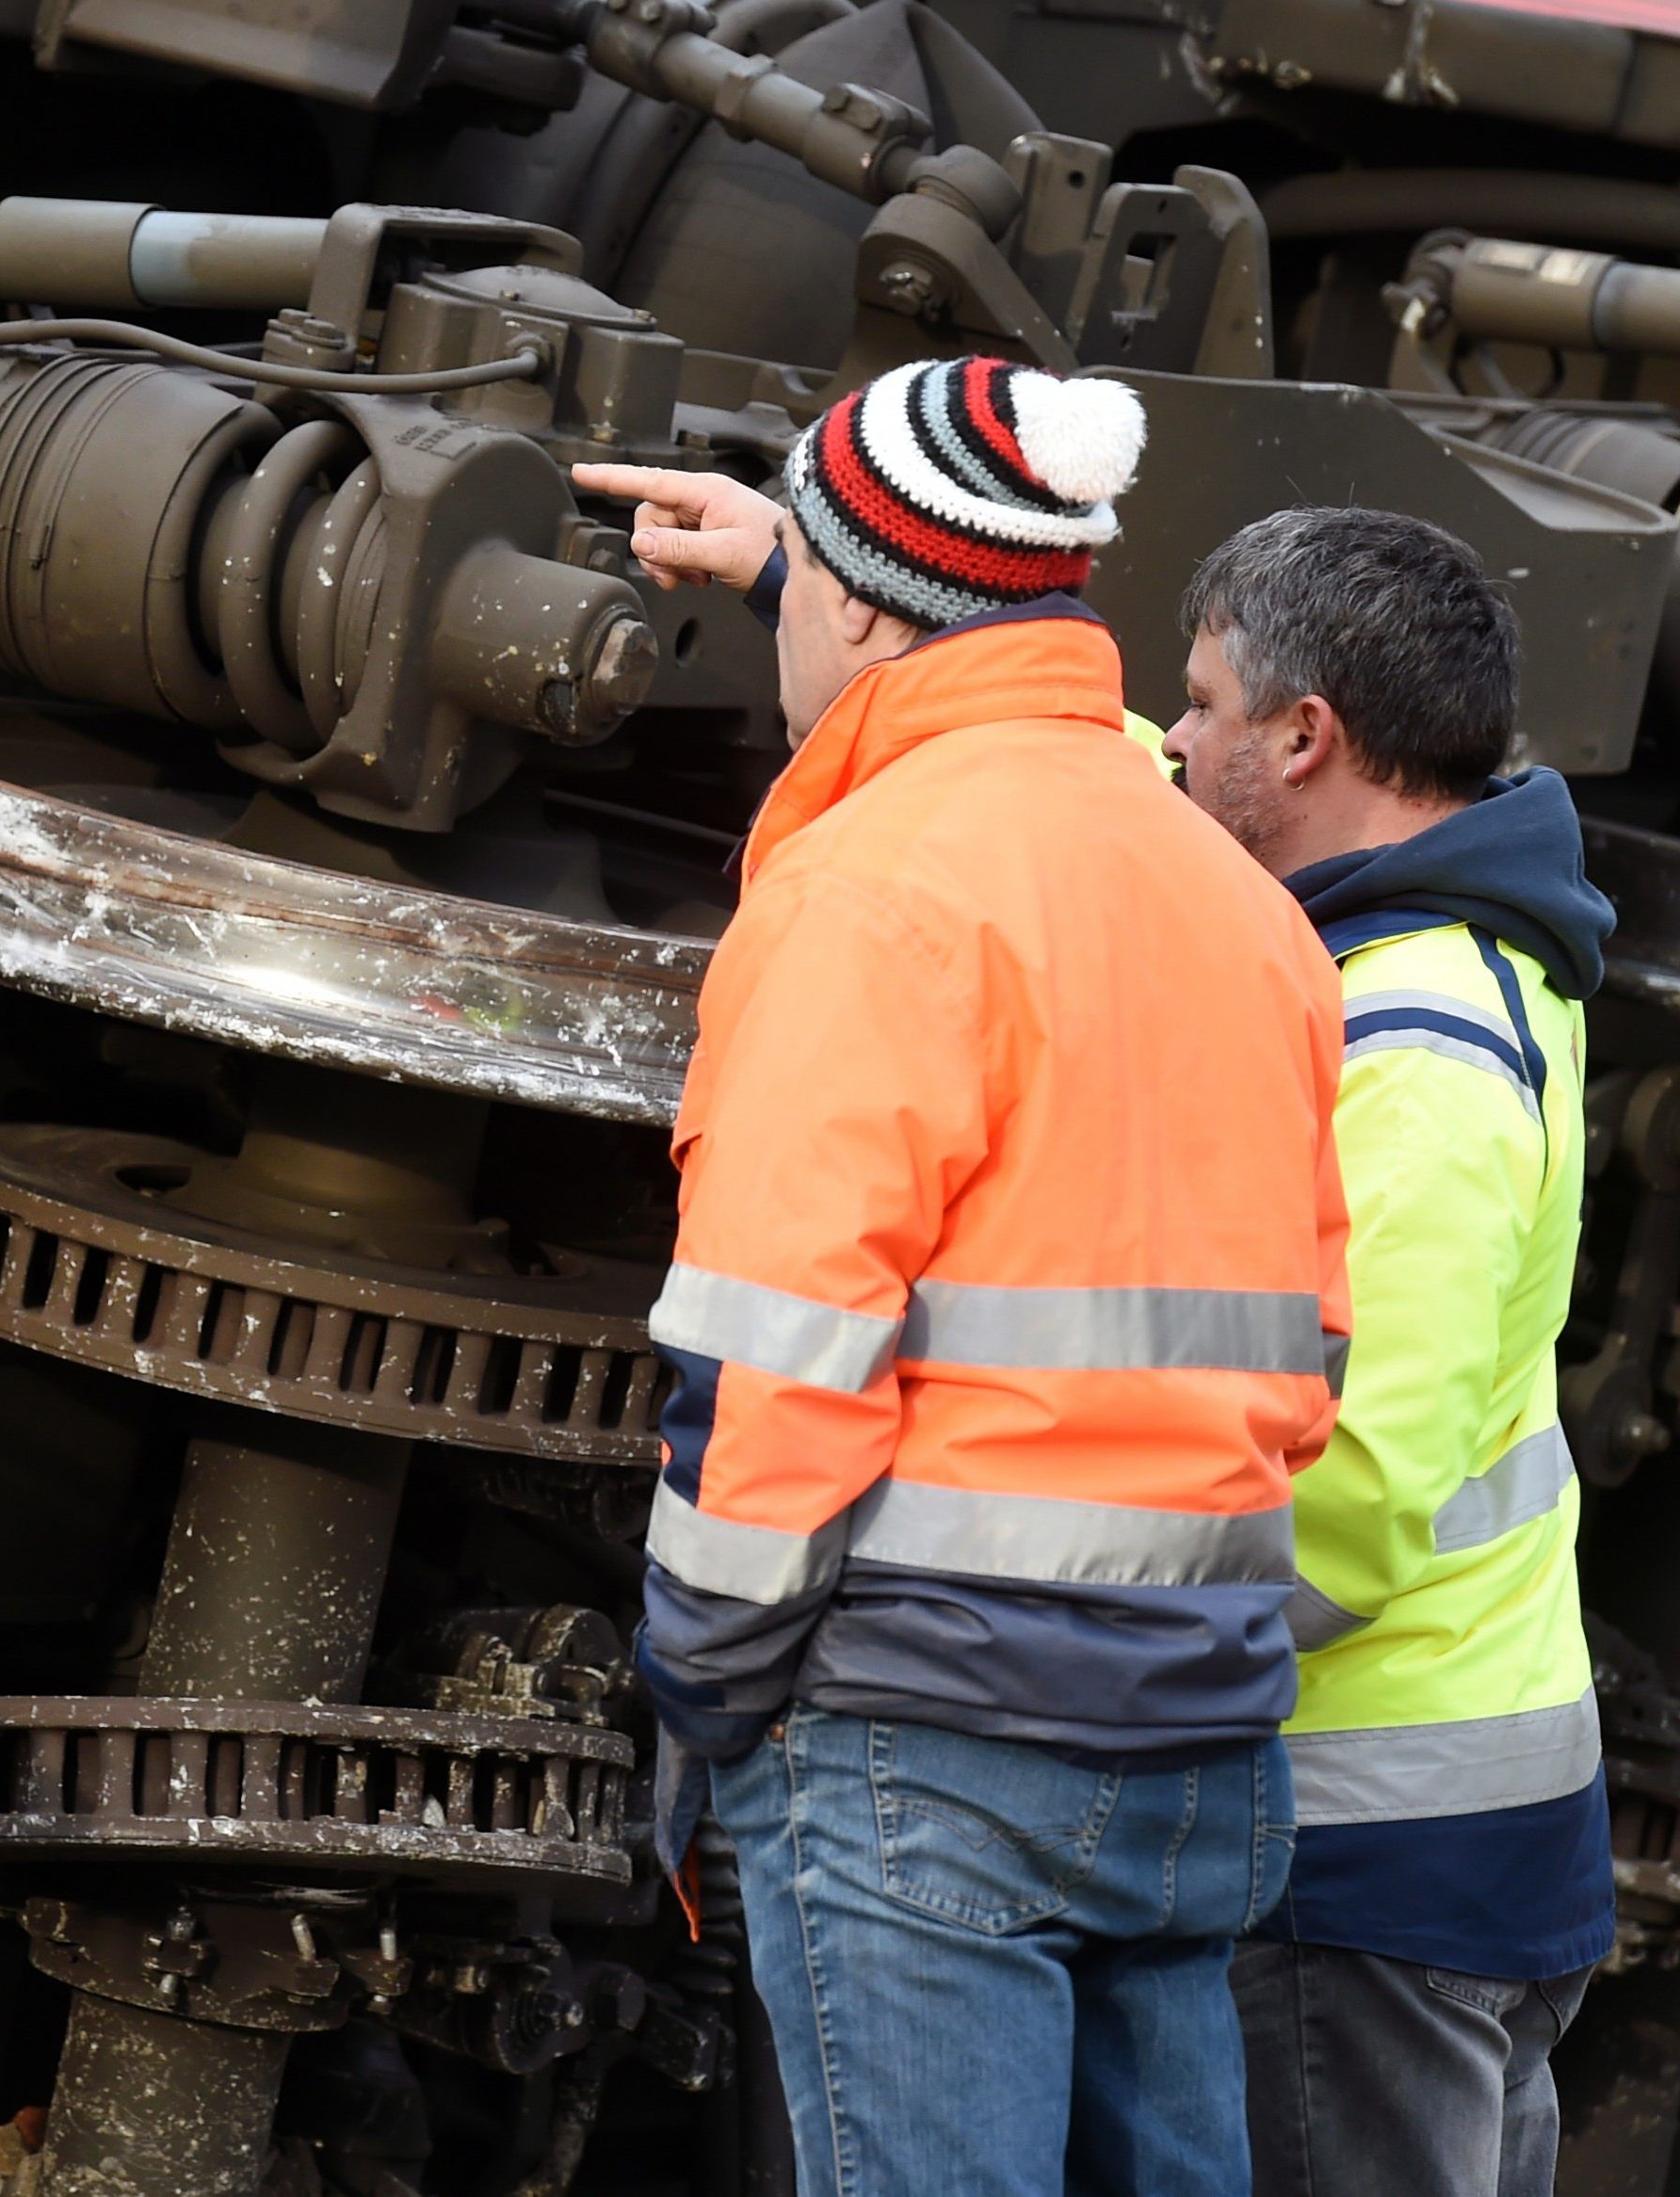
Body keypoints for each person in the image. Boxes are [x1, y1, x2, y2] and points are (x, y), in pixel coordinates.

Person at [571, 358, 1350, 2197]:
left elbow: (774, 1366)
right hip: (1190, 1742)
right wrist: (792, 555)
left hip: (923, 1747)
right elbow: (1311, 1342)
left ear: (854, 597)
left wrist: (699, 1687)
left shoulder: (866, 894)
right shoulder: (1240, 902)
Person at [1155, 507, 1619, 2197]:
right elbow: (1110, 760)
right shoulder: (1454, 920)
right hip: (1455, 1820)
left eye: (1202, 705)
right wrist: (814, 584)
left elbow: (1343, 1505)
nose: (1176, 735)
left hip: (1370, 1851)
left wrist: (1068, 1687)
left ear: (1306, 736)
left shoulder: (1412, 1056)